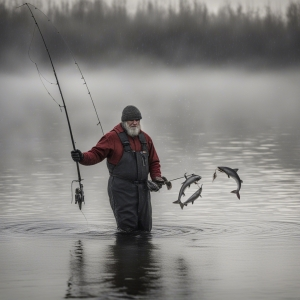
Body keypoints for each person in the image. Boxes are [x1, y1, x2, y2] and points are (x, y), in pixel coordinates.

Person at [71, 105, 167, 232]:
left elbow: (154, 161)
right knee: (127, 230)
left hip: (143, 189)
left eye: (137, 120)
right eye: (131, 120)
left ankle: (144, 252)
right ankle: (122, 251)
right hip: (121, 190)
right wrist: (82, 157)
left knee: (145, 229)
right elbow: (95, 154)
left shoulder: (146, 139)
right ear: (124, 121)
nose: (134, 123)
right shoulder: (111, 137)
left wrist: (156, 178)